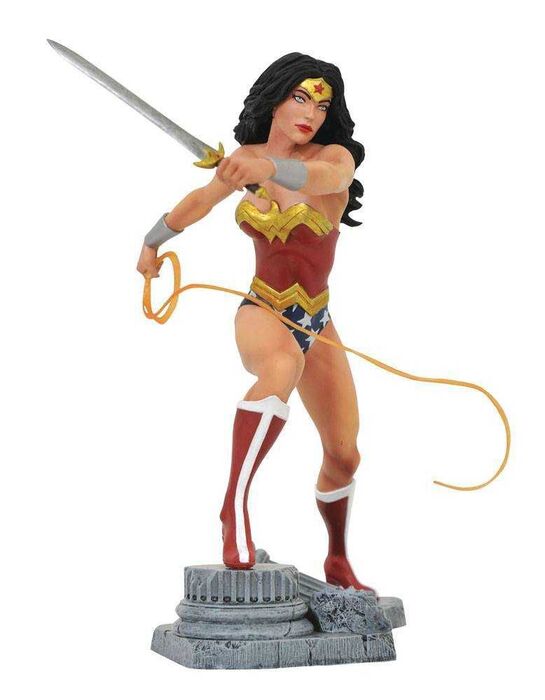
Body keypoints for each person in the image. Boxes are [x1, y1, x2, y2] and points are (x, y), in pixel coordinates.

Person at [137, 52, 374, 591]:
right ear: (275, 99)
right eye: (300, 98)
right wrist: (153, 241)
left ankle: (337, 558)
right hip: (263, 307)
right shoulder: (243, 159)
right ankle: (233, 506)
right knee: (281, 366)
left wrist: (266, 170)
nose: (310, 113)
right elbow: (201, 199)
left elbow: (327, 177)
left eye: (322, 105)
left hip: (316, 318)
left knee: (344, 455)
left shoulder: (333, 156)